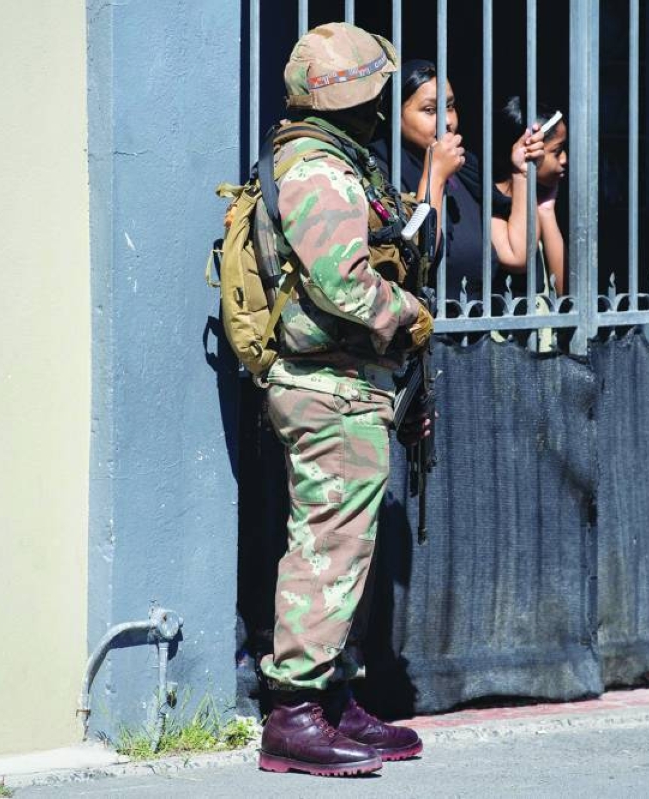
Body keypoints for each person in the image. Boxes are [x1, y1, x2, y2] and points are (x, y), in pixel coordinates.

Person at [254, 21, 434, 778]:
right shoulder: (319, 170)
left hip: (345, 383)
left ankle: (332, 695)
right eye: (374, 94)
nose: (381, 108)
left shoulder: (330, 160)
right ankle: (294, 713)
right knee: (328, 543)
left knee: (347, 547)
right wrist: (408, 313)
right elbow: (342, 283)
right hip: (326, 385)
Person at [370, 62, 557, 308]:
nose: (446, 120)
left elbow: (517, 253)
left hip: (472, 324)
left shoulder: (466, 169)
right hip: (423, 325)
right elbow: (414, 257)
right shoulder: (379, 171)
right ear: (394, 115)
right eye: (429, 110)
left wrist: (521, 173)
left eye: (449, 106)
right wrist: (435, 175)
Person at [490, 96, 568, 296]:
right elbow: (518, 258)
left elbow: (564, 293)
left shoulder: (540, 195)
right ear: (527, 150)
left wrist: (546, 211)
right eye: (557, 151)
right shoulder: (489, 201)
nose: (564, 159)